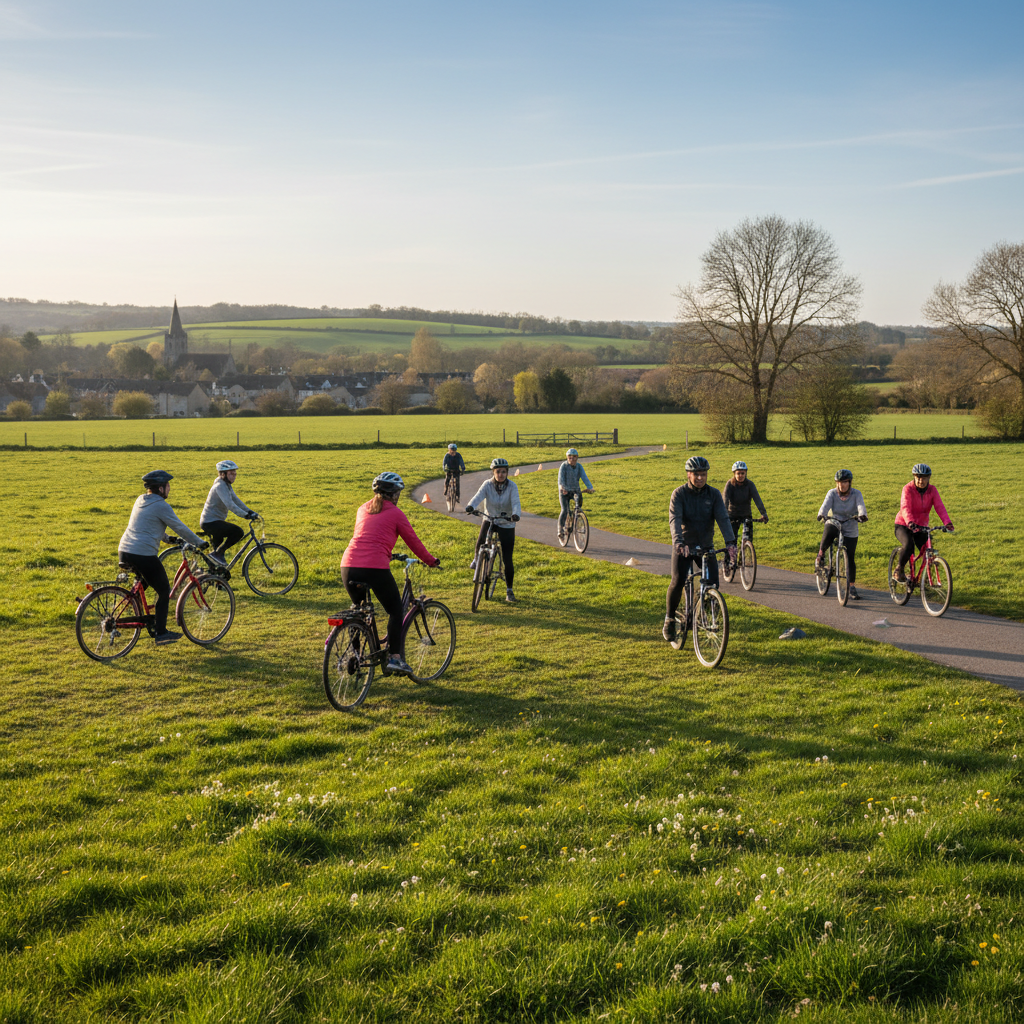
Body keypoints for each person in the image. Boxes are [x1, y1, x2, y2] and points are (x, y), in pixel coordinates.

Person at [340, 472, 441, 675]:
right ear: (394, 494)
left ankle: (356, 656)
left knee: (357, 610)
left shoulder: (362, 508)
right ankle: (395, 658)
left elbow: (367, 538)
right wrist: (431, 561)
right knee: (395, 610)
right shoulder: (396, 513)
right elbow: (413, 541)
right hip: (374, 568)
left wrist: (388, 554)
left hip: (348, 566)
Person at [118, 469, 211, 645]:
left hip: (125, 551)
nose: (169, 488)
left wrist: (168, 539)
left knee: (143, 583)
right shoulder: (161, 505)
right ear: (160, 488)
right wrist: (199, 542)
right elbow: (179, 527)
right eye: (168, 485)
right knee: (163, 590)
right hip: (143, 554)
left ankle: (137, 612)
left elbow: (148, 525)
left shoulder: (140, 500)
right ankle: (161, 632)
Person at [664, 456, 737, 642]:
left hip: (706, 545)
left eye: (703, 474)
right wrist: (679, 543)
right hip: (684, 546)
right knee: (678, 580)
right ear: (688, 475)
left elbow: (723, 518)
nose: (700, 478)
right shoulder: (679, 494)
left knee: (712, 583)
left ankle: (703, 610)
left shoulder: (713, 495)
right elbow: (675, 520)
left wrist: (730, 543)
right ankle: (669, 619)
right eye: (696, 474)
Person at [464, 457, 522, 603]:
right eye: (498, 472)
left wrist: (515, 515)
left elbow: (516, 502)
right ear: (493, 472)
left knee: (507, 558)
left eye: (503, 472)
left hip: (507, 522)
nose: (500, 474)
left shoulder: (512, 486)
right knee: (481, 541)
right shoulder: (487, 484)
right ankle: (477, 559)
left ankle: (509, 590)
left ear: (507, 472)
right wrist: (471, 506)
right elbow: (478, 496)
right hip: (490, 518)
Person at [893, 463, 953, 583]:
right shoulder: (907, 489)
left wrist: (947, 523)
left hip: (921, 526)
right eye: (918, 477)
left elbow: (939, 507)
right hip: (904, 524)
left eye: (924, 478)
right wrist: (910, 522)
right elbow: (905, 507)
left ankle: (924, 578)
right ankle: (899, 569)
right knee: (908, 545)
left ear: (929, 478)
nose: (921, 481)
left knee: (928, 551)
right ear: (914, 477)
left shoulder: (932, 490)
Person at [816, 469, 868, 599]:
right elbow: (825, 506)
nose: (842, 485)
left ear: (849, 483)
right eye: (839, 482)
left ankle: (852, 587)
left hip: (850, 524)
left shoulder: (856, 494)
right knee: (829, 528)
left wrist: (862, 515)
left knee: (850, 557)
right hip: (835, 521)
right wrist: (822, 514)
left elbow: (861, 506)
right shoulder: (832, 493)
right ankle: (821, 555)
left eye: (844, 482)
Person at [200, 459, 255, 563]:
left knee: (215, 559)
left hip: (215, 521)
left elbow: (236, 500)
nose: (234, 476)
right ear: (223, 474)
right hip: (210, 522)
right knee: (237, 532)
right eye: (231, 474)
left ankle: (211, 568)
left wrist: (250, 511)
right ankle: (218, 553)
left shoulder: (226, 485)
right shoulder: (220, 486)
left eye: (235, 474)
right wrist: (246, 515)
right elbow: (230, 505)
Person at [722, 460, 768, 545]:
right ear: (734, 474)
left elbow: (757, 499)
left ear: (746, 473)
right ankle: (731, 553)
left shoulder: (750, 485)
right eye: (738, 473)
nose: (740, 475)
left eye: (742, 473)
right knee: (732, 541)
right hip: (732, 515)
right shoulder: (730, 484)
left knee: (748, 538)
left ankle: (746, 548)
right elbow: (725, 500)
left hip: (746, 514)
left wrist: (763, 513)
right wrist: (724, 516)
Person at [557, 448, 594, 541]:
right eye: (569, 457)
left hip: (575, 491)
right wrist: (562, 488)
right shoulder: (564, 466)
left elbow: (584, 477)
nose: (572, 459)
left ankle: (575, 521)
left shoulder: (579, 467)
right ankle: (560, 530)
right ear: (567, 457)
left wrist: (590, 487)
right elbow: (560, 480)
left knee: (578, 507)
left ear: (577, 458)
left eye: (574, 457)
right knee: (565, 510)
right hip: (564, 492)